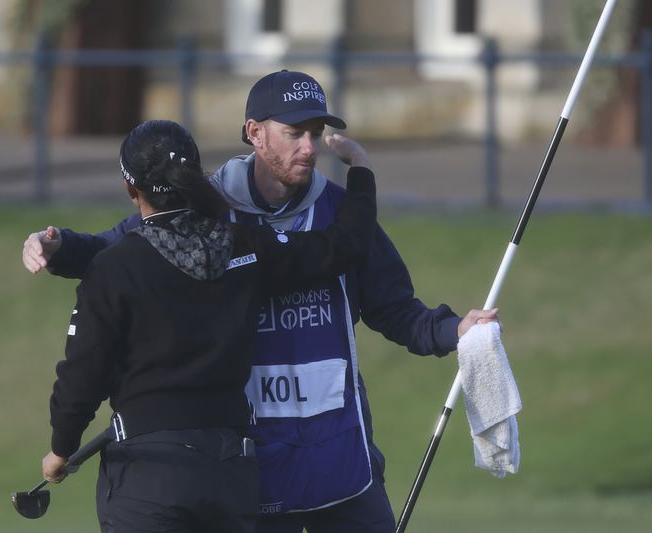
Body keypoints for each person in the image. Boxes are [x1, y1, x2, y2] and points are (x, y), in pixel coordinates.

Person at [25, 71, 498, 533]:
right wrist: (57, 246)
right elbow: (120, 252)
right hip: (248, 469)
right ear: (254, 132)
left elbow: (392, 305)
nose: (309, 148)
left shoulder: (340, 212)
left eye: (316, 134)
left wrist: (451, 331)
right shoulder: (200, 208)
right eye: (294, 133)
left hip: (340, 461)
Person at [39, 118, 380, 533]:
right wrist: (360, 171)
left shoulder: (112, 268)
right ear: (195, 179)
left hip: (147, 477)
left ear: (133, 190)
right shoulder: (244, 247)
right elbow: (344, 247)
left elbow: (82, 376)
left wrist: (61, 449)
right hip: (229, 473)